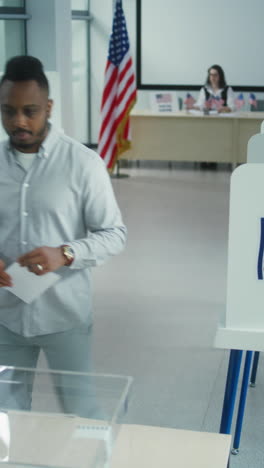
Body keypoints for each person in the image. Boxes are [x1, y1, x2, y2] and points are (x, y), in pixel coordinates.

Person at [0, 55, 127, 415]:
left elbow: (115, 233)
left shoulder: (83, 163)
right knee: (4, 415)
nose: (19, 121)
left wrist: (66, 253)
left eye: (30, 110)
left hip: (64, 316)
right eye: (8, 111)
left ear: (49, 107)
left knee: (80, 411)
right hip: (5, 317)